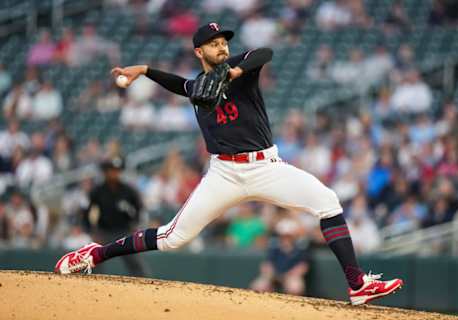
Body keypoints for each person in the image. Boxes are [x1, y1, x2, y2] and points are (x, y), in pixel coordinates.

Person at [55, 22, 403, 305]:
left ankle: (357, 284)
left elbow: (264, 52)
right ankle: (95, 254)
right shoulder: (196, 86)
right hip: (224, 172)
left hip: (265, 166)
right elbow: (180, 84)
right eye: (213, 43)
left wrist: (235, 71)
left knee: (327, 202)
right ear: (199, 51)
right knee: (173, 239)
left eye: (224, 41)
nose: (221, 46)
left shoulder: (242, 70)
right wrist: (144, 70)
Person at [80, 156, 148, 277]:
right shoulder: (97, 191)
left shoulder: (128, 190)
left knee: (136, 263)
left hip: (124, 231)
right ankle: (91, 284)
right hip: (103, 232)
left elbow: (139, 208)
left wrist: (135, 226)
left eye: (117, 170)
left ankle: (143, 287)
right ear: (105, 172)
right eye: (111, 170)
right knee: (92, 260)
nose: (114, 173)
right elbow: (86, 211)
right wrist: (91, 231)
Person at [250, 218, 309, 295]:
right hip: (273, 275)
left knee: (295, 287)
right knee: (259, 286)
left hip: (290, 276)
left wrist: (289, 275)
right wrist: (270, 274)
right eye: (283, 236)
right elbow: (266, 264)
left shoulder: (301, 247)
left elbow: (303, 266)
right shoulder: (273, 246)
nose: (285, 238)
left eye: (288, 236)